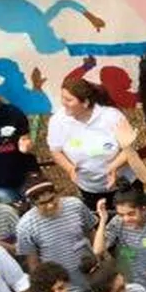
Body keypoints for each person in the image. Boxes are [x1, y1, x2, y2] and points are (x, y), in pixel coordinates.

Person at [46, 78, 130, 208]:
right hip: (89, 187)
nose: (63, 103)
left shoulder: (112, 116)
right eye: (62, 98)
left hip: (123, 183)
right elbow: (56, 151)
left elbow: (129, 148)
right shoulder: (57, 120)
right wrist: (70, 169)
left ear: (85, 102)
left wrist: (113, 167)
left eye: (69, 100)